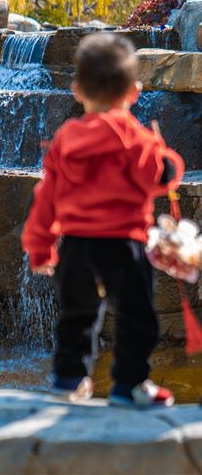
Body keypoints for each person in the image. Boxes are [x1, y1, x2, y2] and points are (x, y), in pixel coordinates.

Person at [22, 33, 184, 407]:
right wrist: (168, 160)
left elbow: (46, 196)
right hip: (123, 244)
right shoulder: (134, 137)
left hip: (76, 245)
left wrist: (40, 246)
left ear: (78, 90)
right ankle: (129, 386)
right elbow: (159, 178)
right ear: (134, 93)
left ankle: (68, 381)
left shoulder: (65, 138)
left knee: (76, 317)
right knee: (135, 316)